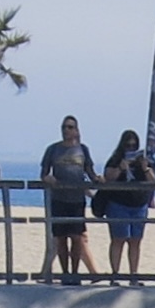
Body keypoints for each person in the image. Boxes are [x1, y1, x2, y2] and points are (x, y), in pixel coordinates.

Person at [39, 115, 100, 283]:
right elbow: (43, 173)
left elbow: (90, 172)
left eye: (70, 127)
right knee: (60, 239)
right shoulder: (53, 149)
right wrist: (47, 178)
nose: (67, 130)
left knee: (77, 238)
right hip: (58, 199)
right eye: (64, 127)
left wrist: (97, 179)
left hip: (77, 200)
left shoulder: (83, 150)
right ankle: (65, 273)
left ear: (76, 130)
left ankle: (74, 272)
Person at [100, 130, 155, 284]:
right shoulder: (115, 159)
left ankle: (133, 275)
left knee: (135, 240)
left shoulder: (143, 161)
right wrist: (120, 168)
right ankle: (115, 275)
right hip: (119, 204)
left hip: (139, 205)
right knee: (118, 239)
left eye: (134, 146)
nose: (131, 148)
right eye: (128, 146)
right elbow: (108, 177)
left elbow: (153, 181)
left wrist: (145, 168)